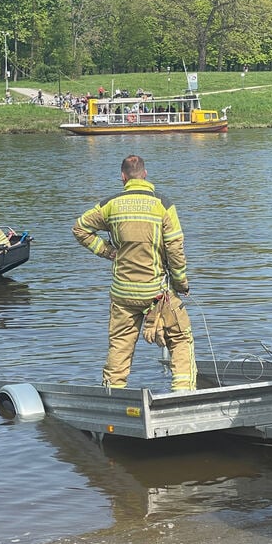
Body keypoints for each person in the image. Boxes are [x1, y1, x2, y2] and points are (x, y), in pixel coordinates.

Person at [72, 155, 196, 392]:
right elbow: (175, 247)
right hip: (157, 294)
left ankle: (113, 395)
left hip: (123, 294)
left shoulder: (110, 204)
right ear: (145, 174)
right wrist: (181, 284)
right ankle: (182, 392)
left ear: (123, 177)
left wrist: (108, 252)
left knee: (119, 347)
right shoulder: (163, 205)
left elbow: (80, 228)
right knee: (180, 338)